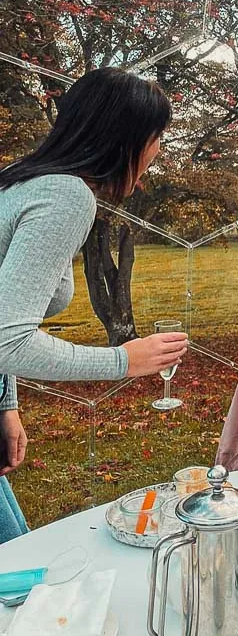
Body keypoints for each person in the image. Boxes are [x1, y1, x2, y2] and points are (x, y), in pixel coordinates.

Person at [0, 67, 188, 540]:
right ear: (124, 136)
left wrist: (6, 404)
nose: (157, 149)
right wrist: (124, 360)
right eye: (156, 135)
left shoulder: (21, 182)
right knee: (14, 581)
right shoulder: (65, 195)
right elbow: (9, 338)